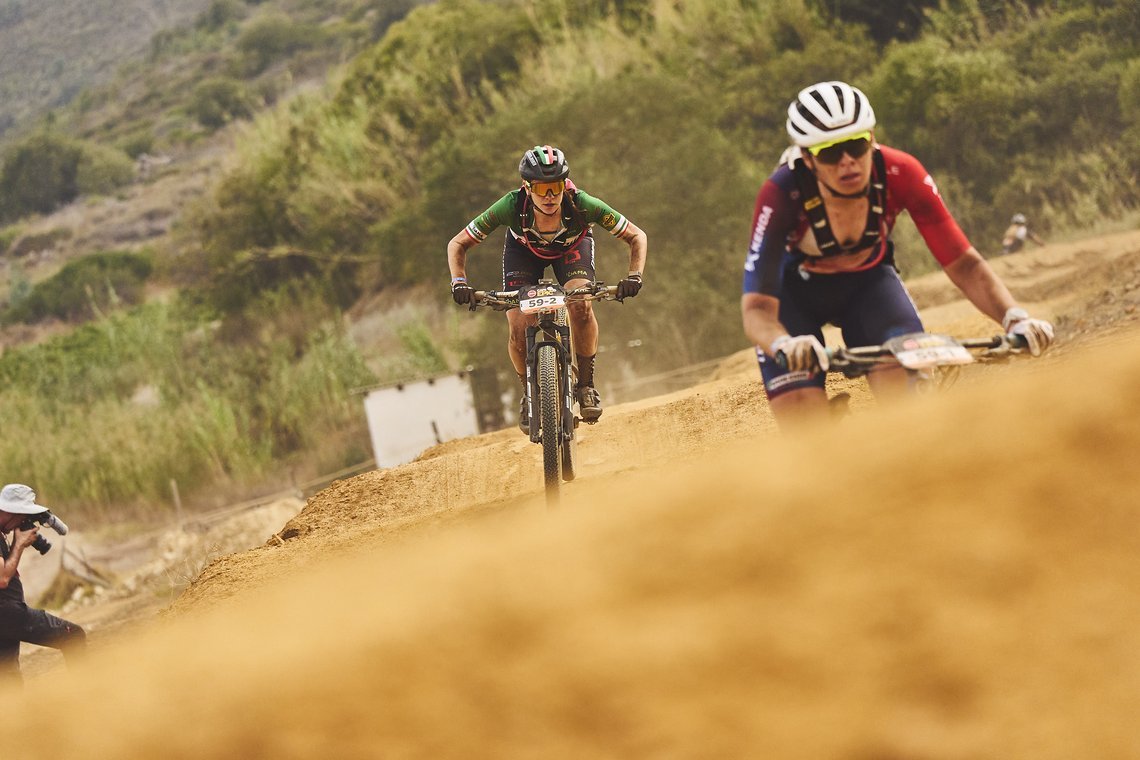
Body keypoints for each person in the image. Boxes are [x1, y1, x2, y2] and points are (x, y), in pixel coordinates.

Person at [740, 81, 1055, 426]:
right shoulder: (781, 193)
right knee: (804, 423)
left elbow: (964, 264)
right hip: (793, 297)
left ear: (872, 138)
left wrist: (1014, 317)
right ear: (807, 158)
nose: (847, 162)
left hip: (868, 286)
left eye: (856, 145)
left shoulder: (900, 172)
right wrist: (783, 344)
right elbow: (756, 309)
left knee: (912, 406)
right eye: (830, 152)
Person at [447, 145, 648, 430]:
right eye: (542, 189)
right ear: (527, 188)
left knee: (581, 306)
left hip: (573, 250)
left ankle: (586, 386)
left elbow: (637, 236)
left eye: (556, 187)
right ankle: (529, 394)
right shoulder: (511, 206)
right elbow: (458, 243)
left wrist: (634, 276)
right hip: (523, 254)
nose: (551, 197)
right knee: (518, 326)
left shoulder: (583, 204)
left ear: (565, 184)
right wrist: (459, 283)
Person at [0, 483, 86, 687]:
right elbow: (2, 579)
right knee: (73, 636)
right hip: (6, 612)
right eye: (21, 517)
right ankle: (86, 696)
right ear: (11, 511)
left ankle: (15, 718)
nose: (21, 522)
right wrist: (19, 544)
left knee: (8, 679)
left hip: (5, 616)